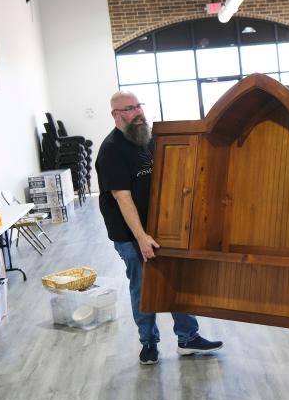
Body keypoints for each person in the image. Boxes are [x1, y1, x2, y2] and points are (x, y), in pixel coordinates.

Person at [95, 91, 222, 365]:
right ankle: (148, 343)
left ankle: (188, 338)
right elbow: (122, 198)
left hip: (162, 227)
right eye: (129, 109)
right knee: (143, 287)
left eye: (139, 105)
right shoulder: (111, 151)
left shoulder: (148, 138)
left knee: (177, 279)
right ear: (115, 115)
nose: (138, 112)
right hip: (130, 234)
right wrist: (140, 237)